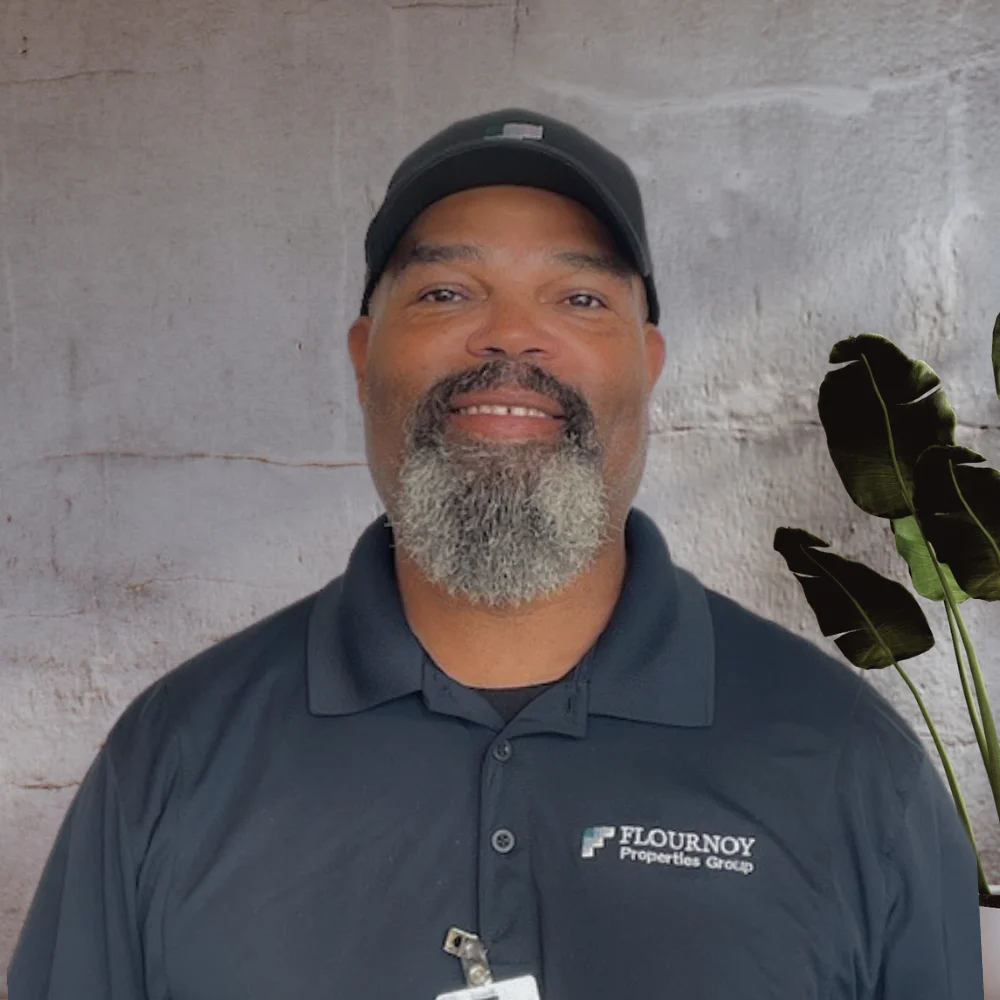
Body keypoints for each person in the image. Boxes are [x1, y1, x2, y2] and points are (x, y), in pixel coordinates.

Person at [7, 108, 984, 1000]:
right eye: (444, 290)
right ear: (363, 354)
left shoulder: (853, 770)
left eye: (578, 298)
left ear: (646, 363)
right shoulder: (174, 761)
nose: (511, 336)